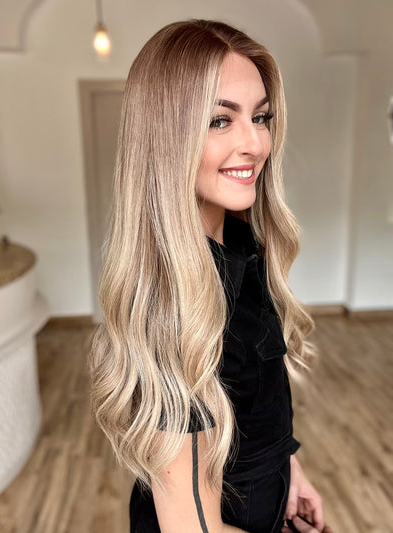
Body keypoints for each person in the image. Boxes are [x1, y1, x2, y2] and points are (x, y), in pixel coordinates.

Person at [89, 19, 333, 533]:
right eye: (220, 120)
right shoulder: (172, 309)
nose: (255, 143)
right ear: (166, 139)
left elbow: (258, 402)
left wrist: (290, 467)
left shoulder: (243, 247)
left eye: (260, 117)